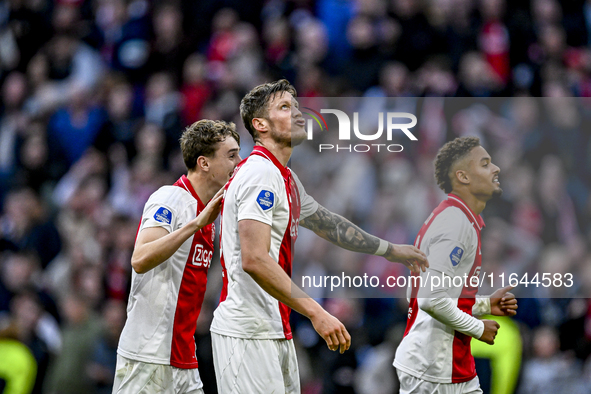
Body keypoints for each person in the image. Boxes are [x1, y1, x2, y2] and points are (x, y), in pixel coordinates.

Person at [210, 79, 428, 393]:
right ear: (260, 124)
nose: (299, 114)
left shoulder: (285, 177)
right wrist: (317, 312)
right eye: (285, 108)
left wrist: (390, 250)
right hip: (248, 329)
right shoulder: (259, 175)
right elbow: (254, 258)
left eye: (296, 106)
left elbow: (329, 224)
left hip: (271, 325)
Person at [113, 119, 241, 394]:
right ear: (204, 162)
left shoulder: (209, 217)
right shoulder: (170, 198)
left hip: (184, 359)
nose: (238, 163)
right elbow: (140, 257)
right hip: (148, 357)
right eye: (231, 155)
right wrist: (193, 224)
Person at [393, 136, 518, 394]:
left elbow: (418, 293)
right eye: (485, 164)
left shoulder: (457, 218)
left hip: (452, 366)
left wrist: (483, 304)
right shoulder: (455, 224)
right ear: (463, 177)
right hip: (431, 371)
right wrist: (478, 326)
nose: (496, 169)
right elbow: (428, 298)